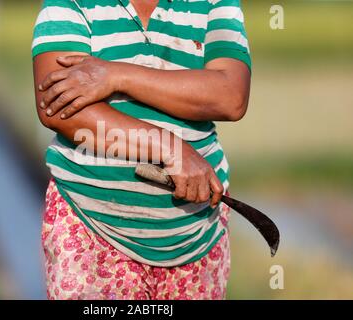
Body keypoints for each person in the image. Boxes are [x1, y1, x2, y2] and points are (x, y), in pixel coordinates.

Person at [32, 0, 251, 300]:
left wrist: (116, 76)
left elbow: (231, 95)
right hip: (92, 233)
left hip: (197, 237)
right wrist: (169, 148)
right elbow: (57, 108)